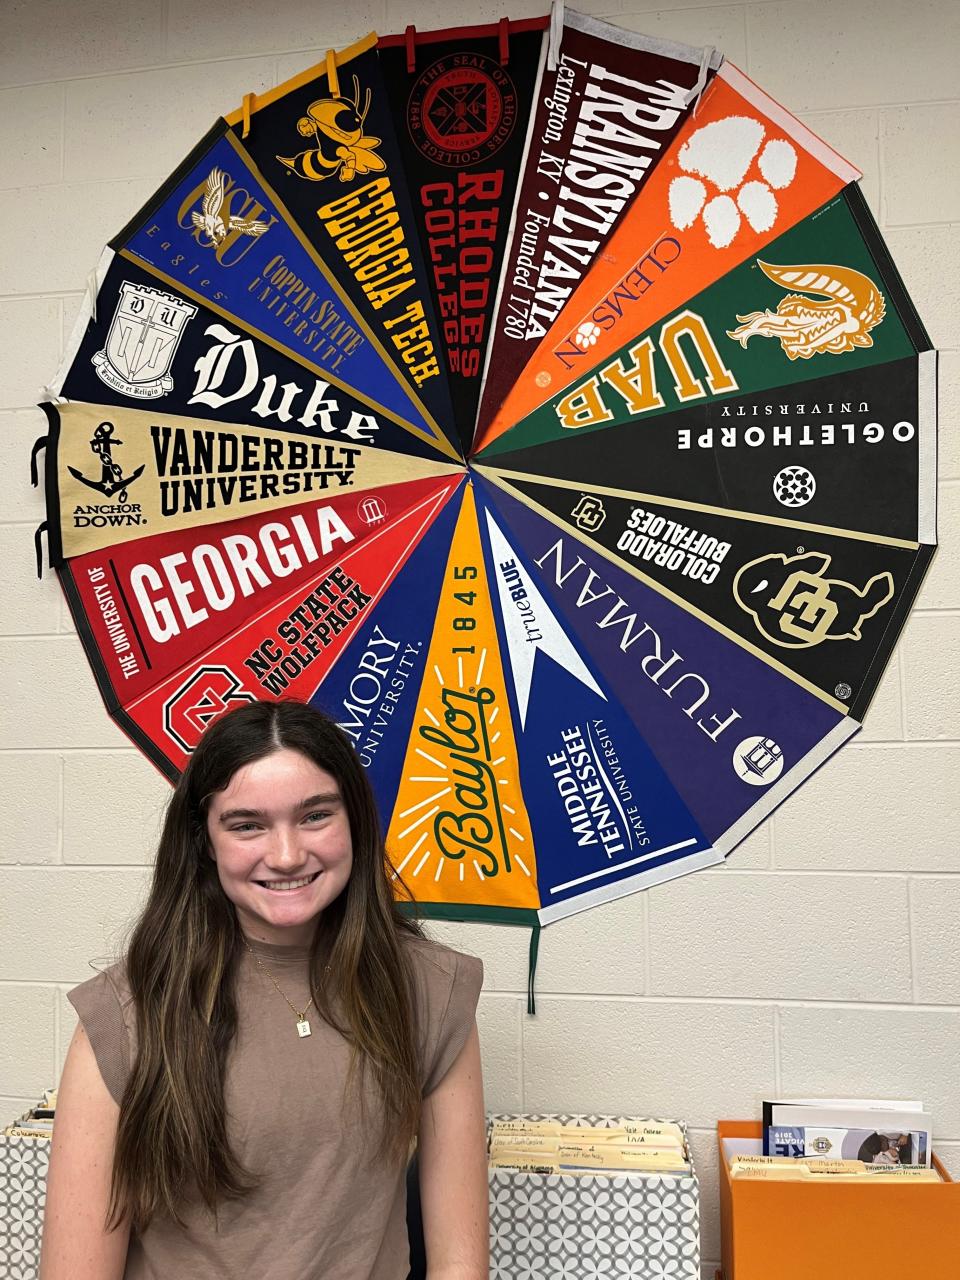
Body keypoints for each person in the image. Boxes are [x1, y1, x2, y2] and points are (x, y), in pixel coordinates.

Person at [40, 700, 488, 1280]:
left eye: (315, 816)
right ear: (205, 840)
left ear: (354, 818)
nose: (286, 855)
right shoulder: (128, 1013)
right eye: (247, 824)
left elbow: (459, 1265)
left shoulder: (431, 991)